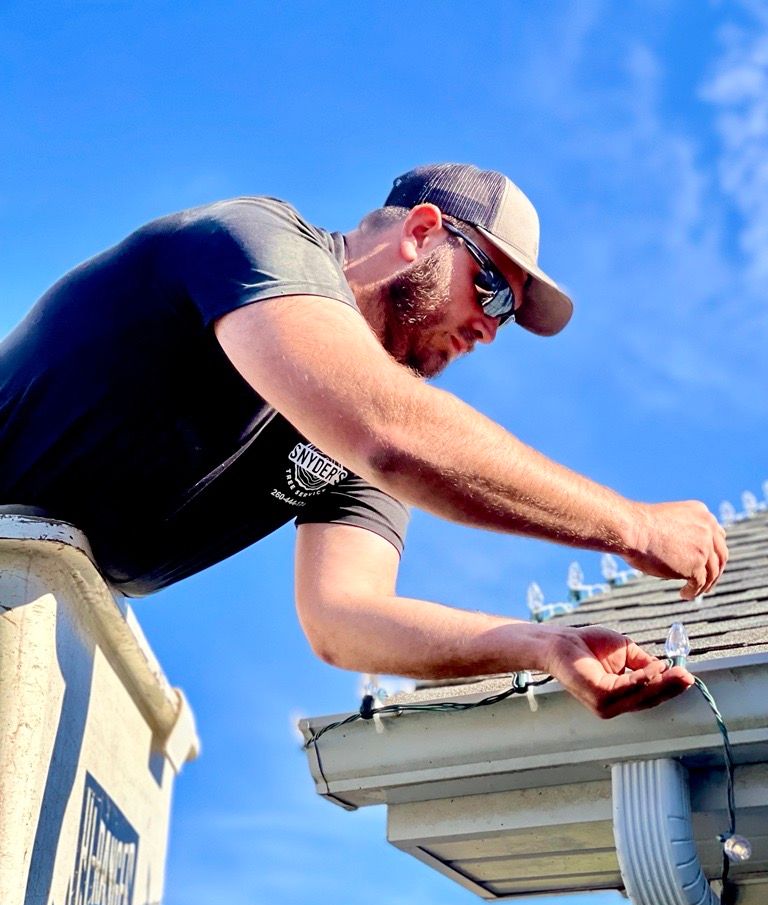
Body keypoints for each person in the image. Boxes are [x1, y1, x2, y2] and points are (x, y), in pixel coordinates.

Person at [0, 163, 727, 719]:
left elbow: (345, 621)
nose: (489, 330)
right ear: (421, 233)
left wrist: (544, 647)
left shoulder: (370, 423)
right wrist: (630, 524)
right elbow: (391, 433)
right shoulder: (254, 239)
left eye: (504, 321)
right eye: (493, 292)